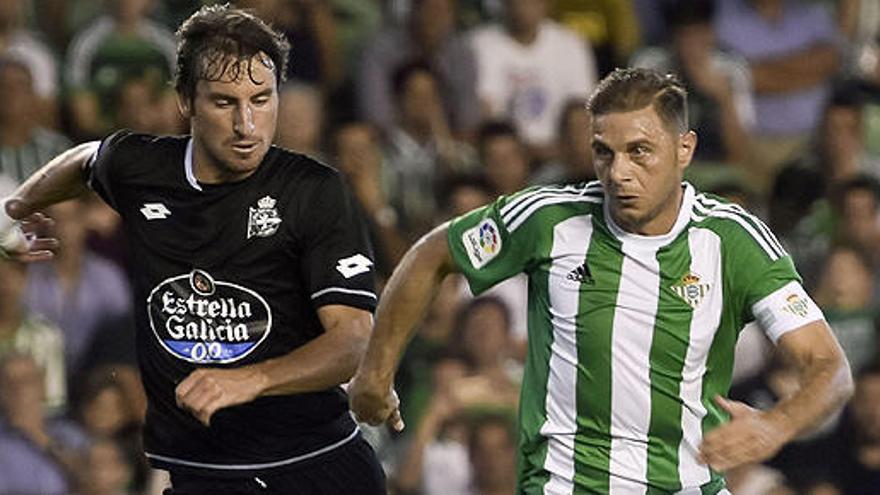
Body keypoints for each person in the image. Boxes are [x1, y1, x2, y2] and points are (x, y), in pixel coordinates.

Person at [349, 68, 853, 493]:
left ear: (685, 149)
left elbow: (829, 367)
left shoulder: (732, 241)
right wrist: (376, 370)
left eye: (639, 152)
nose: (618, 173)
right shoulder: (548, 218)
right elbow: (433, 253)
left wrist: (776, 425)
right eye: (604, 153)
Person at [1, 5, 385, 494]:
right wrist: (20, 206)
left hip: (315, 465)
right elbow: (86, 160)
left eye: (262, 100)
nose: (248, 125)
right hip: (202, 473)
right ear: (185, 101)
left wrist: (251, 379)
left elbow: (353, 339)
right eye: (225, 103)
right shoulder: (141, 166)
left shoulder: (314, 191)